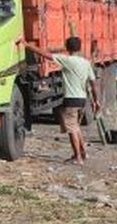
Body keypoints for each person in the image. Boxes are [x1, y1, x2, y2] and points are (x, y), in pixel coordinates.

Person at [23, 36, 100, 164]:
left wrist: (27, 45)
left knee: (72, 129)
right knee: (76, 127)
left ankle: (77, 157)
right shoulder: (86, 63)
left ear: (67, 48)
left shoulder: (67, 60)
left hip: (71, 99)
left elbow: (46, 55)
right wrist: (96, 101)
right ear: (79, 47)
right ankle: (83, 153)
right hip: (82, 99)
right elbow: (93, 83)